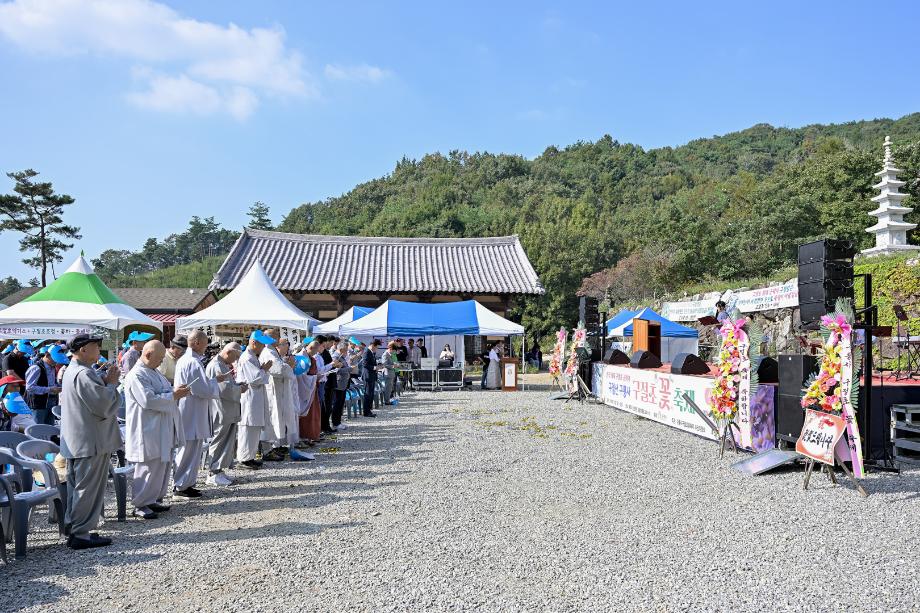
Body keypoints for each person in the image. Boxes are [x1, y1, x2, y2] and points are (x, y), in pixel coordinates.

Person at [59, 333, 121, 550]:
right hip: (90, 440)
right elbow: (103, 405)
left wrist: (103, 382)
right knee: (87, 489)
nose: (98, 349)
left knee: (79, 487)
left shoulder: (75, 370)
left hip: (80, 440)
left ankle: (77, 529)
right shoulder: (83, 373)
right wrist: (111, 384)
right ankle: (81, 534)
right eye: (95, 345)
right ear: (83, 349)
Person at [124, 340, 190, 519]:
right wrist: (173, 395)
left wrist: (175, 391)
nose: (162, 361)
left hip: (161, 426)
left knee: (161, 464)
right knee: (148, 465)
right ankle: (140, 504)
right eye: (160, 358)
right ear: (148, 355)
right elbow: (148, 400)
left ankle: (152, 499)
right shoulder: (137, 375)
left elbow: (163, 391)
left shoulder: (153, 371)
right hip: (147, 427)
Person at [172, 330, 223, 497]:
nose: (206, 347)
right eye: (205, 343)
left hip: (190, 408)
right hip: (191, 409)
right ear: (197, 343)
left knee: (191, 448)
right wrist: (213, 385)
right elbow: (202, 389)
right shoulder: (193, 362)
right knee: (188, 448)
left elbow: (200, 384)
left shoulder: (186, 360)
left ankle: (186, 483)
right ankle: (181, 484)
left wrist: (213, 382)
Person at [205, 342, 244, 486]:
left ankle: (219, 470)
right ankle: (213, 472)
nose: (235, 360)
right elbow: (223, 389)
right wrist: (240, 389)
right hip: (220, 408)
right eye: (235, 356)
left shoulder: (222, 364)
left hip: (227, 409)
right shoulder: (216, 365)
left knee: (226, 440)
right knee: (219, 439)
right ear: (228, 352)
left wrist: (237, 386)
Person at [236, 331, 273, 469]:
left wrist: (262, 369)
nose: (263, 347)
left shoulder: (252, 357)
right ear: (254, 342)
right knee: (248, 428)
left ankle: (250, 457)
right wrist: (264, 369)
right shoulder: (247, 358)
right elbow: (255, 378)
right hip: (249, 397)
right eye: (262, 344)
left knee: (254, 428)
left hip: (255, 396)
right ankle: (244, 459)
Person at [261, 331, 298, 459]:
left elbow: (280, 366)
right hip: (273, 390)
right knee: (274, 417)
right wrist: (289, 365)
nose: (279, 340)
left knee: (280, 417)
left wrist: (285, 363)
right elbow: (278, 369)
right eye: (277, 337)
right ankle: (273, 446)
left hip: (279, 389)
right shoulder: (268, 352)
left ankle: (278, 444)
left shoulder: (272, 351)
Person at [25, 344, 65, 425]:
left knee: (50, 428)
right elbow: (29, 387)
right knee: (38, 428)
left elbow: (52, 382)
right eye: (55, 359)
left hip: (52, 401)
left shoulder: (52, 367)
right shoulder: (36, 368)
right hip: (38, 404)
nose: (56, 362)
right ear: (47, 355)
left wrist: (59, 387)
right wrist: (50, 389)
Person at [296, 340, 323, 445]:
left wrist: (316, 377)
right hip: (303, 390)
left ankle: (311, 436)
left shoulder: (311, 358)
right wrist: (315, 377)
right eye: (315, 350)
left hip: (311, 389)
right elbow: (300, 376)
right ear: (311, 348)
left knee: (313, 413)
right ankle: (303, 437)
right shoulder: (300, 357)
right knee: (304, 415)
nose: (316, 353)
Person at [361, 339, 381, 417]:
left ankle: (369, 410)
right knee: (368, 394)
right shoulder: (367, 352)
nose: (377, 349)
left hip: (371, 376)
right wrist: (375, 368)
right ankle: (366, 411)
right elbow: (365, 364)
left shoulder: (371, 352)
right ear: (373, 345)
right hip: (367, 376)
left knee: (371, 393)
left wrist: (376, 366)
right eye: (377, 347)